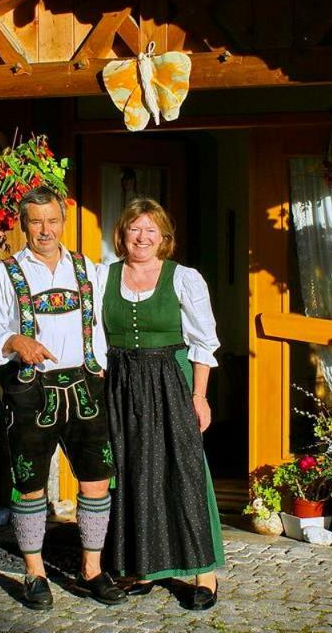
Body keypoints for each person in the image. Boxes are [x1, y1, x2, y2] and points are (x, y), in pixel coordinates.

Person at [0, 187, 126, 610]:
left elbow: (106, 321)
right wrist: (13, 339)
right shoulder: (7, 273)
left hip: (85, 387)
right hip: (30, 390)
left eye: (52, 220)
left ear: (63, 222)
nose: (45, 230)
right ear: (23, 225)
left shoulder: (87, 268)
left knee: (96, 480)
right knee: (30, 483)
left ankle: (91, 570)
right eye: (36, 222)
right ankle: (34, 573)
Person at [101, 197, 225, 611]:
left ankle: (202, 571)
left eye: (151, 230)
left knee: (184, 470)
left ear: (164, 238)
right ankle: (141, 568)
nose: (142, 237)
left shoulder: (184, 277)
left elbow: (203, 342)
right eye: (135, 228)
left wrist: (199, 396)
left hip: (169, 379)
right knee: (131, 470)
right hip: (120, 382)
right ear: (122, 235)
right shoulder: (104, 276)